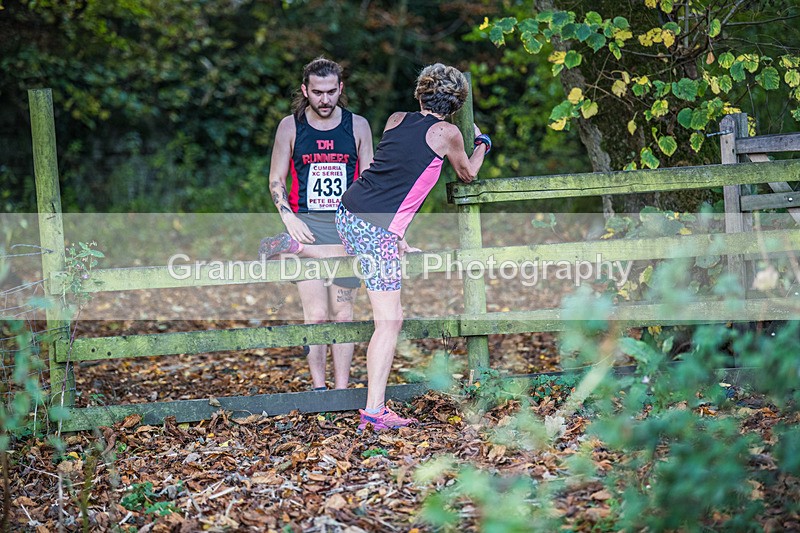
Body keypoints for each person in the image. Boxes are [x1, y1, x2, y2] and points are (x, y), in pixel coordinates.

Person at [336, 63, 491, 430]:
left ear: (421, 93)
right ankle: (374, 412)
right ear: (456, 103)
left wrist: (396, 235)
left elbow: (393, 173)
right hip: (375, 231)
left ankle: (299, 245)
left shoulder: (395, 119)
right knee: (390, 321)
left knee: (386, 312)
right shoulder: (448, 132)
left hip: (348, 211)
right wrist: (483, 143)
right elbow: (468, 173)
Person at [259, 57, 374, 391]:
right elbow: (276, 179)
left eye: (331, 92)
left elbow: (369, 181)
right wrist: (288, 216)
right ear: (305, 90)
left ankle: (341, 390)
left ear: (341, 88)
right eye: (318, 92)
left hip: (345, 229)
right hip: (305, 227)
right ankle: (319, 389)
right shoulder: (290, 127)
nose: (325, 99)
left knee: (344, 314)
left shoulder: (358, 126)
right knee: (317, 315)